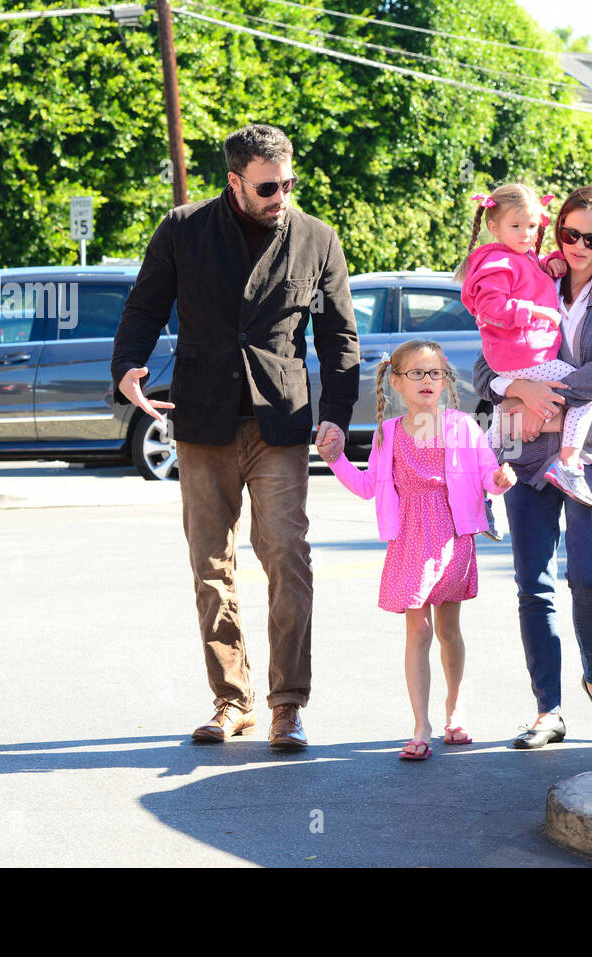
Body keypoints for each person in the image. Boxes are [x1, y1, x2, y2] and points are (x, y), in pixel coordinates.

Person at [111, 124, 359, 750]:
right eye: (268, 187)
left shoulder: (316, 239)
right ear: (234, 182)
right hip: (203, 420)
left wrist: (338, 413)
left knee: (287, 559)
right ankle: (231, 700)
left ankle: (287, 704)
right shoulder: (183, 229)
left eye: (288, 183)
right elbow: (143, 307)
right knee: (210, 567)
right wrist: (127, 369)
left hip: (279, 422)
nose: (281, 195)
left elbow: (339, 338)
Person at [472, 185, 592, 749]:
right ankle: (549, 710)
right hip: (525, 453)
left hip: (590, 451)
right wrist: (514, 385)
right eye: (568, 233)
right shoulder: (532, 273)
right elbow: (483, 366)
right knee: (533, 585)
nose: (576, 246)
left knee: (590, 572)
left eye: (591, 238)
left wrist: (549, 400)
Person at [316, 340, 515, 760]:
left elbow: (487, 479)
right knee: (418, 631)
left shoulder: (462, 427)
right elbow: (369, 487)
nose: (427, 381)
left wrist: (500, 480)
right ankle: (421, 724)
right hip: (408, 539)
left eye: (435, 373)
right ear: (396, 381)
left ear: (446, 380)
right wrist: (336, 460)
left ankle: (455, 710)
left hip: (452, 537)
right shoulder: (387, 434)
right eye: (417, 374)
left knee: (447, 629)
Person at [457, 183, 592, 508]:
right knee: (583, 392)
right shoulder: (498, 264)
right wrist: (534, 311)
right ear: (493, 227)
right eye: (516, 226)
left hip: (515, 357)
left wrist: (550, 262)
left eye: (532, 226)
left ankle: (476, 488)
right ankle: (568, 465)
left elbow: (529, 273)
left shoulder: (518, 257)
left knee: (500, 424)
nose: (525, 234)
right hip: (524, 356)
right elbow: (491, 310)